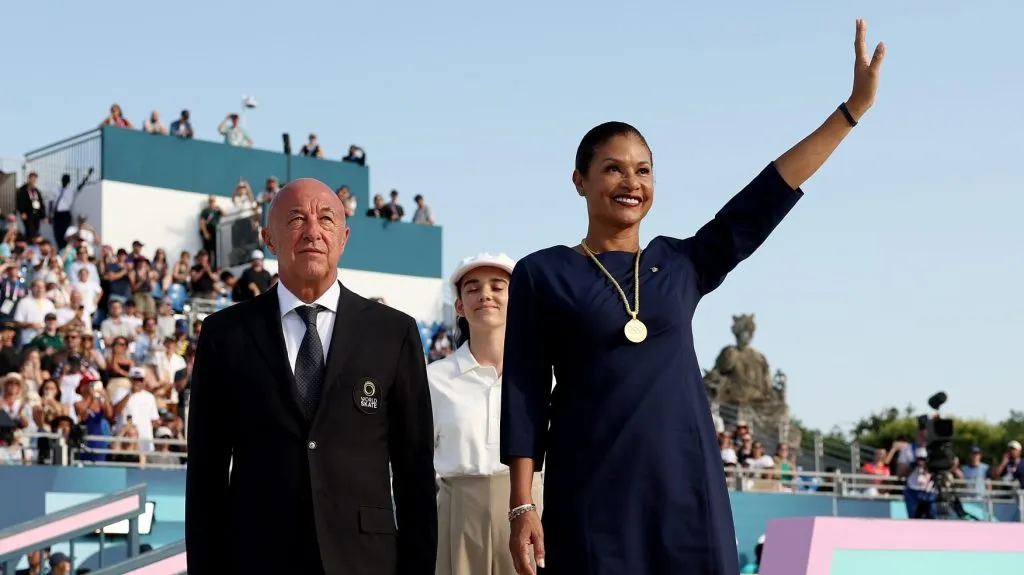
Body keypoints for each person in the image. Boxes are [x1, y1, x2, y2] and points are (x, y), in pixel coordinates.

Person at [500, 19, 884, 575]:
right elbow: (525, 394)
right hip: (591, 490)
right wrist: (522, 503)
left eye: (643, 170)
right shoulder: (544, 272)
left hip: (687, 490)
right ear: (579, 180)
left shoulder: (678, 263)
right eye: (612, 169)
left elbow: (765, 196)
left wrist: (850, 112)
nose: (630, 182)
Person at [185, 178, 437, 574]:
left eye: (326, 219)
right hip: (256, 556)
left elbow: (415, 471)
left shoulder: (394, 333)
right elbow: (206, 472)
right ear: (269, 238)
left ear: (344, 237)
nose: (313, 231)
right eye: (297, 219)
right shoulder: (225, 334)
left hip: (365, 559)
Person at [428, 253, 547, 575]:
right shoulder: (433, 379)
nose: (486, 295)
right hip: (459, 520)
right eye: (473, 288)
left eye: (498, 286)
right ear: (459, 307)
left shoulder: (546, 376)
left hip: (534, 513)